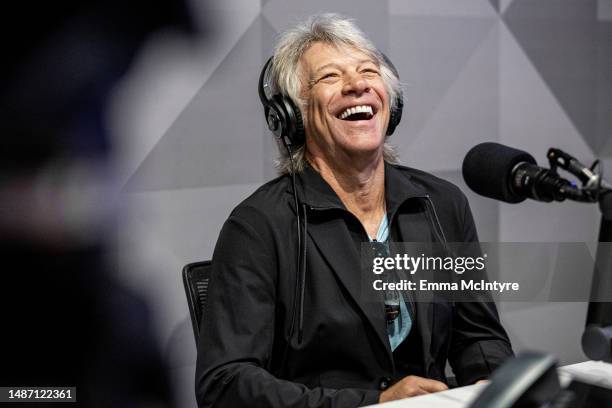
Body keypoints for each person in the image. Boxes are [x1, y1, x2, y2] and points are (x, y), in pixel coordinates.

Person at [196, 13, 513, 408]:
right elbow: (225, 384)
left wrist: (488, 384)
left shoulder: (441, 205)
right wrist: (374, 401)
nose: (358, 84)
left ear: (391, 102)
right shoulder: (259, 226)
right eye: (330, 77)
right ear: (292, 116)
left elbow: (479, 337)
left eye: (368, 71)